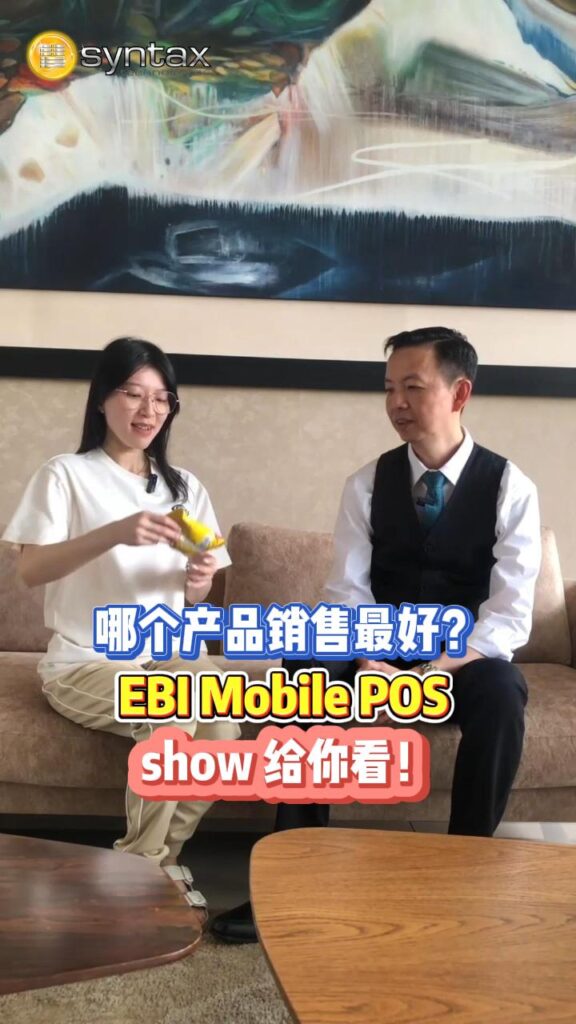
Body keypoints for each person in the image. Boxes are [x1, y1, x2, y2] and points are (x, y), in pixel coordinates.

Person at [211, 325, 542, 943]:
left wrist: (433, 673)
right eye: (389, 388)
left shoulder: (511, 488)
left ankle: (463, 878)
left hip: (460, 659)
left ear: (459, 393)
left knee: (504, 692)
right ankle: (292, 881)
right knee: (308, 670)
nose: (396, 403)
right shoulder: (366, 483)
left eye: (412, 387)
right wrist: (369, 665)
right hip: (376, 647)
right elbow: (347, 593)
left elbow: (509, 614)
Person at [1, 336, 240, 929]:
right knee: (168, 710)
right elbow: (30, 570)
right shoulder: (66, 474)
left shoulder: (185, 488)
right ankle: (144, 871)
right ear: (102, 399)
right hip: (85, 660)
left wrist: (199, 579)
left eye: (161, 398)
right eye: (132, 393)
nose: (148, 410)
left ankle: (155, 863)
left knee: (224, 728)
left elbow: (196, 590)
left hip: (166, 652)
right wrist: (115, 531)